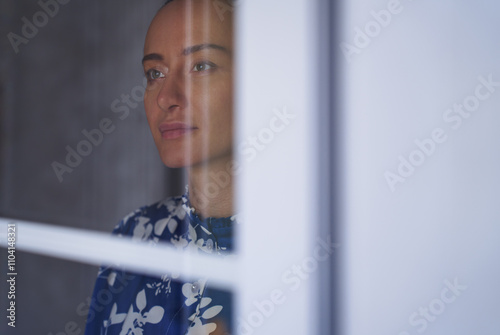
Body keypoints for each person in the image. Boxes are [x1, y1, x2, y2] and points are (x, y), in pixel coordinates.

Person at [85, 0, 236, 333]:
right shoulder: (135, 235)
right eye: (155, 73)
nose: (166, 97)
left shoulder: (311, 248)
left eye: (201, 66)